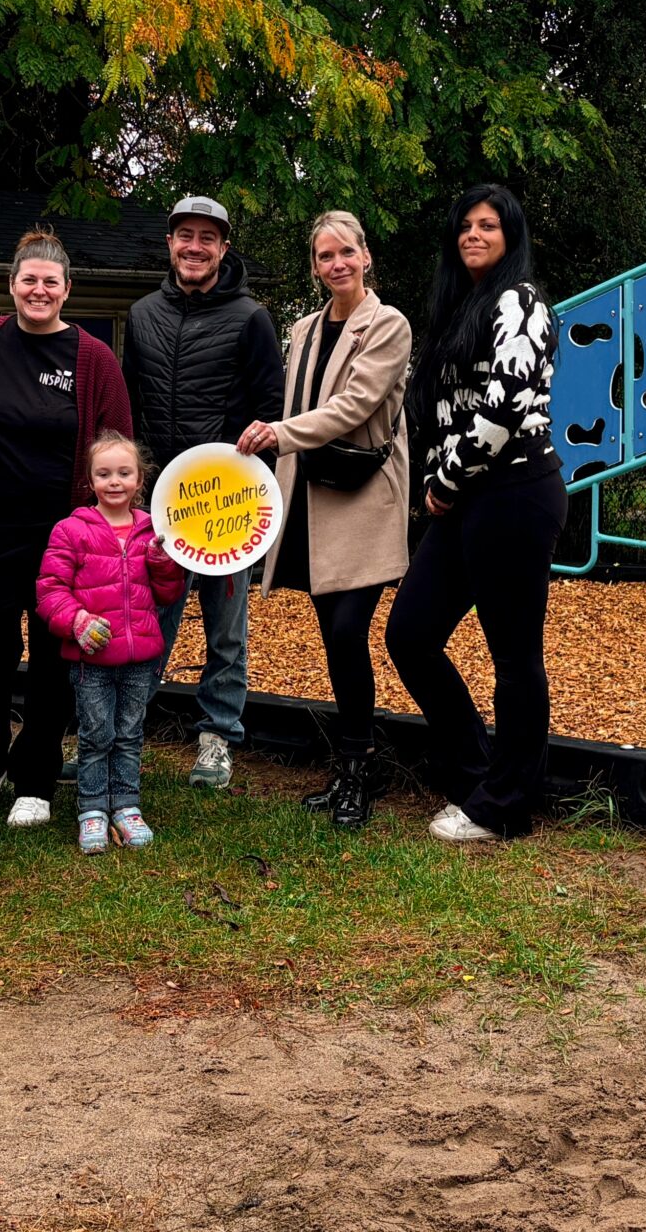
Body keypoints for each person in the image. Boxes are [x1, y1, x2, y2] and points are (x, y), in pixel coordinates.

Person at [385, 184, 566, 844]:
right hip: (467, 498)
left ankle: (504, 807)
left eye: (488, 225)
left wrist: (446, 478)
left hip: (514, 491)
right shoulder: (463, 305)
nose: (473, 235)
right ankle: (477, 775)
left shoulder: (523, 302)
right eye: (465, 225)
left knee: (514, 655)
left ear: (510, 236)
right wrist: (442, 478)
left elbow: (507, 403)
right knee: (410, 633)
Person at [0, 230, 134, 828]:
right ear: (12, 285)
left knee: (56, 661)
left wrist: (110, 528)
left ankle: (36, 779)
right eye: (29, 279)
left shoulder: (93, 359)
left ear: (67, 290)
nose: (39, 290)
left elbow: (116, 448)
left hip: (64, 538)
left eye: (51, 282)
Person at [238, 211, 411, 829]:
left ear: (366, 256)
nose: (336, 264)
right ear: (315, 266)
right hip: (311, 495)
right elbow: (299, 400)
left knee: (346, 631)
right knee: (334, 637)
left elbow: (355, 404)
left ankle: (359, 769)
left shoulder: (388, 324)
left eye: (346, 252)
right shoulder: (305, 329)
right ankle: (352, 763)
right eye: (324, 255)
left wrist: (278, 434)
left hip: (361, 496)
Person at [123, 194, 284, 790]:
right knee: (146, 620)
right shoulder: (142, 314)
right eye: (185, 236)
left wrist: (253, 486)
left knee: (226, 628)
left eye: (207, 238)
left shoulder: (251, 318)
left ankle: (217, 738)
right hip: (159, 506)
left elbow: (272, 410)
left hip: (227, 505)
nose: (195, 247)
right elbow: (129, 403)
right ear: (170, 243)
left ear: (223, 248)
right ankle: (123, 736)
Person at [36, 434, 186, 851]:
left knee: (129, 734)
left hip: (140, 659)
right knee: (96, 733)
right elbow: (49, 590)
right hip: (92, 660)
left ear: (140, 480)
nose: (114, 481)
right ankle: (92, 811)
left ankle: (126, 806)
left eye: (124, 473)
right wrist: (77, 621)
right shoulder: (70, 530)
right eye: (103, 474)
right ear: (90, 481)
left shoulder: (154, 531)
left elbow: (169, 594)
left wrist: (162, 563)